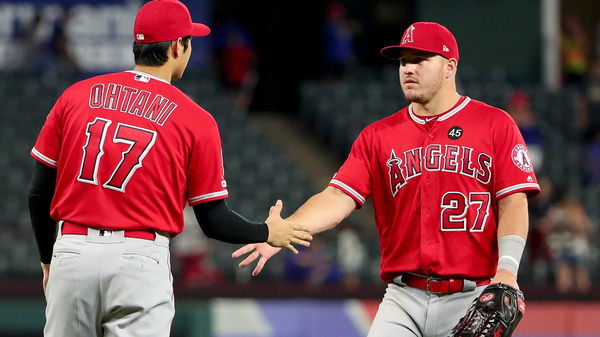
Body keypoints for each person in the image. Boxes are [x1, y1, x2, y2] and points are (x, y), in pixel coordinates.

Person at [234, 22, 540, 337]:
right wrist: (289, 227)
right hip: (403, 298)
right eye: (404, 61)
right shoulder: (378, 136)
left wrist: (508, 268)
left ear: (449, 67)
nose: (408, 68)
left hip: (472, 296)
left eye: (420, 59)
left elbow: (513, 200)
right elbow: (337, 197)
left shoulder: (494, 124)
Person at [27, 1, 312, 336]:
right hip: (138, 258)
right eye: (189, 41)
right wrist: (266, 232)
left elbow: (39, 192)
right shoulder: (195, 120)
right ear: (178, 46)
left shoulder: (76, 96)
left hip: (72, 251)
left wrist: (48, 259)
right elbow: (214, 220)